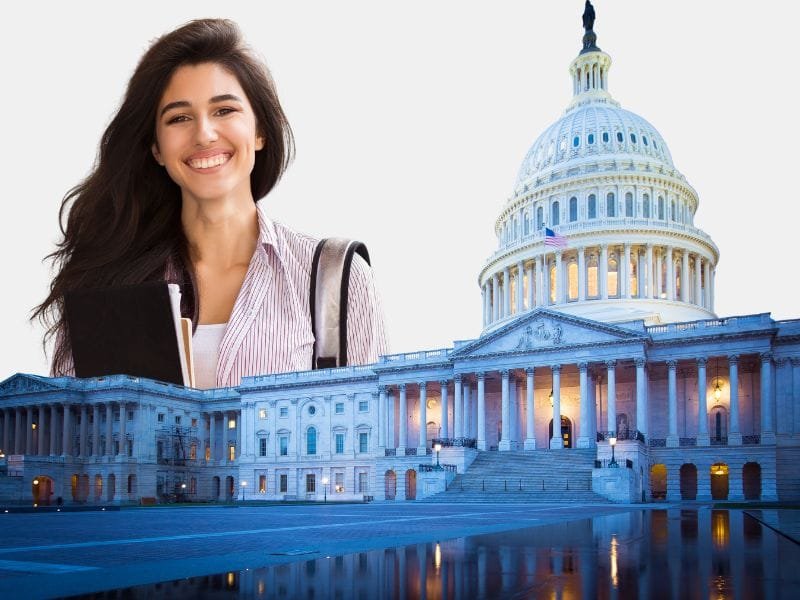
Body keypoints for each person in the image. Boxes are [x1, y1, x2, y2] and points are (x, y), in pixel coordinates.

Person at [33, 19, 389, 388]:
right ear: (156, 147)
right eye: (179, 118)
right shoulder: (105, 283)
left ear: (260, 131)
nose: (203, 134)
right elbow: (73, 425)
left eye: (224, 110)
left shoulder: (337, 279)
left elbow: (375, 434)